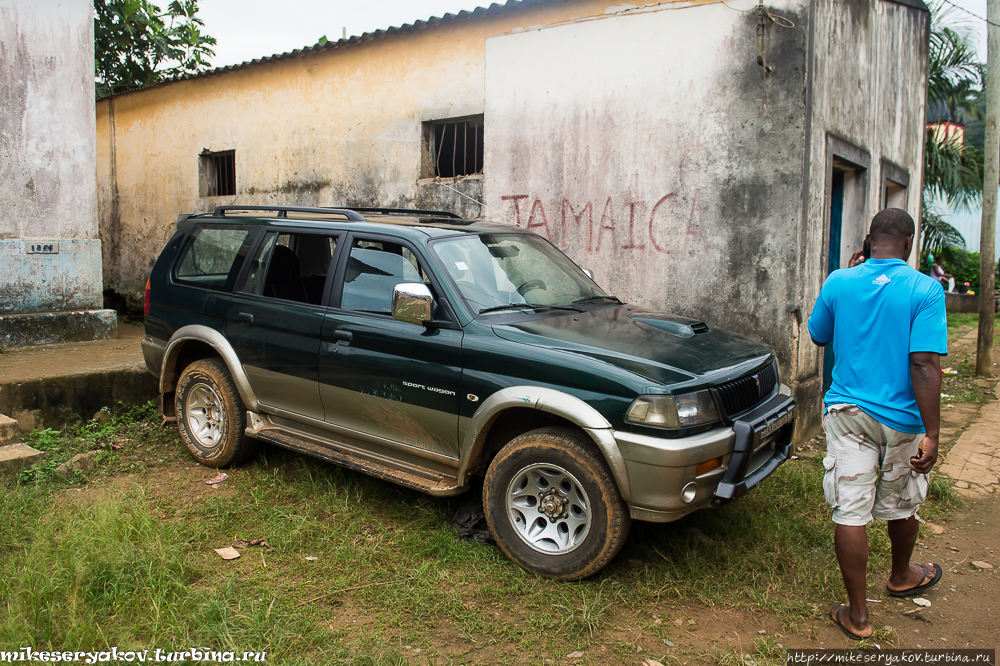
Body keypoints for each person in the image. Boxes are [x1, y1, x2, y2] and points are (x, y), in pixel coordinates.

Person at [808, 208, 947, 641]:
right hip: (904, 421)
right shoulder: (925, 289)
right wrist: (934, 432)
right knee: (902, 501)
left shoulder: (838, 281)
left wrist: (849, 281)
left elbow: (818, 334)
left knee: (851, 510)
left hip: (848, 416)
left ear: (869, 241)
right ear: (908, 243)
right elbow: (923, 363)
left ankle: (858, 616)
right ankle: (902, 576)